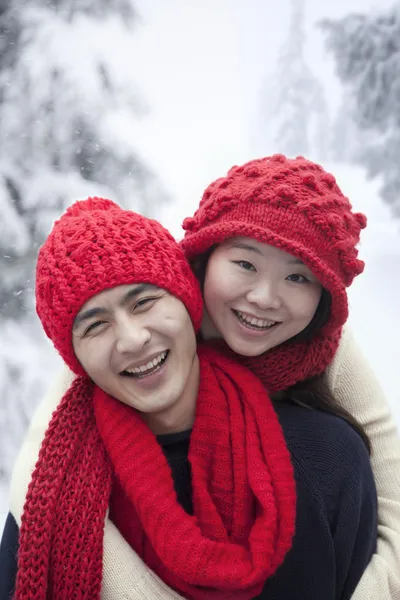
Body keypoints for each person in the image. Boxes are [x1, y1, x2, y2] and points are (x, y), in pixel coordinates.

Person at [0, 196, 376, 600]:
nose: (132, 339)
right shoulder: (52, 499)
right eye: (95, 326)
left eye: (144, 302)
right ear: (76, 360)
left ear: (189, 303)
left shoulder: (329, 456)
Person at [180, 154, 400, 600]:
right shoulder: (153, 318)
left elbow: (392, 486)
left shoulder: (320, 345)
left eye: (297, 277)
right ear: (206, 254)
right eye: (245, 263)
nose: (264, 298)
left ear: (324, 299)